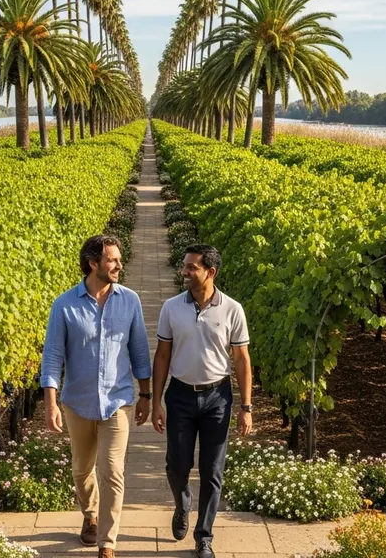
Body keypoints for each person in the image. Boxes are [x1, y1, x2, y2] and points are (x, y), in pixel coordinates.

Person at [40, 234, 152, 558]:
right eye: (112, 260)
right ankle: (90, 513)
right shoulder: (64, 305)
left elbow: (139, 351)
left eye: (119, 259)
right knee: (81, 469)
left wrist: (146, 395)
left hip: (117, 401)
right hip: (77, 402)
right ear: (93, 264)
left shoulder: (129, 300)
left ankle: (107, 543)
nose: (119, 265)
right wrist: (50, 403)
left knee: (112, 471)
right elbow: (52, 357)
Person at [151, 244, 252, 558]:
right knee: (177, 466)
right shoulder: (171, 307)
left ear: (211, 272)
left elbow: (242, 359)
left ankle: (204, 536)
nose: (184, 271)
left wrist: (246, 407)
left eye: (191, 267)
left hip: (217, 398)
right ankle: (182, 504)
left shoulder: (232, 309)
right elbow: (162, 355)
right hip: (180, 395)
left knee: (212, 472)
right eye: (184, 266)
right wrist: (155, 402)